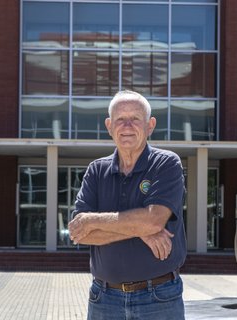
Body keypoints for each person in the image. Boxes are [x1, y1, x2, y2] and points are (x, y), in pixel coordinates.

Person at [69, 90, 187, 320]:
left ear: (150, 125)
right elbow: (79, 233)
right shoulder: (96, 170)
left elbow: (154, 220)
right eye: (120, 119)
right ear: (109, 125)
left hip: (159, 297)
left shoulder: (166, 164)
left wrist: (92, 220)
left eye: (135, 119)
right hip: (104, 299)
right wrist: (140, 231)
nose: (127, 126)